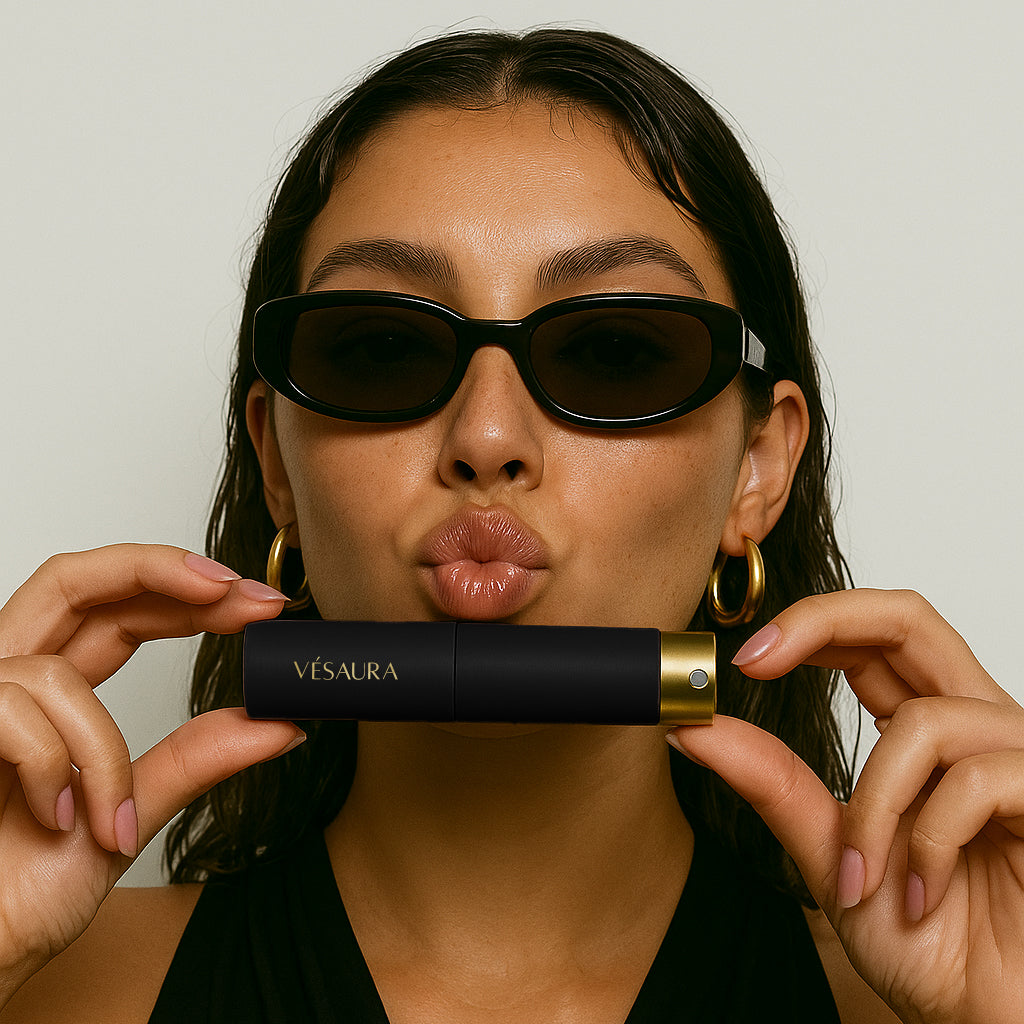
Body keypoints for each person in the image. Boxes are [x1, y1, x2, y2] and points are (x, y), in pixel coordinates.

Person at [0, 27, 1020, 1024]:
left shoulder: (945, 996)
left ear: (757, 467)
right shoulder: (49, 991)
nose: (486, 436)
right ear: (278, 462)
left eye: (617, 348)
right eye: (381, 346)